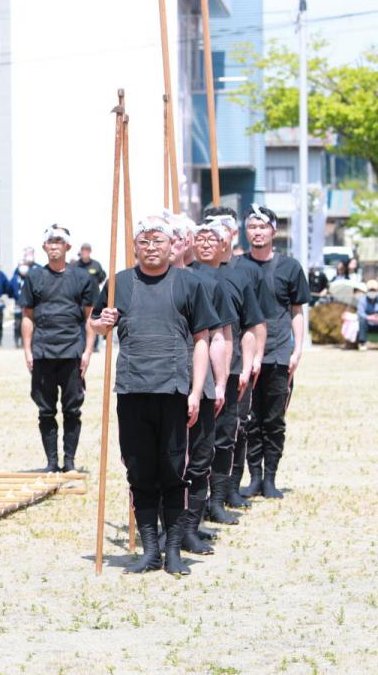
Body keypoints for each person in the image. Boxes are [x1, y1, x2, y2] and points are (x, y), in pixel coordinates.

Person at [89, 217, 218, 576]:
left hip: (173, 389)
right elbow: (95, 324)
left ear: (171, 245)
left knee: (173, 470)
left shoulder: (188, 284)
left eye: (157, 240)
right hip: (132, 388)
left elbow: (202, 340)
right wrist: (104, 323)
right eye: (144, 241)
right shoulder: (119, 283)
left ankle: (173, 549)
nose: (150, 247)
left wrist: (196, 391)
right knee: (140, 470)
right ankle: (150, 550)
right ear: (135, 247)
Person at [191, 217, 265, 526]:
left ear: (226, 243)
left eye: (213, 238)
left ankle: (218, 499)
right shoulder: (185, 275)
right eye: (201, 238)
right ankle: (191, 505)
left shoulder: (238, 278)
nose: (206, 243)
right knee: (195, 441)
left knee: (225, 437)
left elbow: (252, 325)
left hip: (230, 370)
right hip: (193, 370)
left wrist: (248, 365)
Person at [239, 205, 309, 500]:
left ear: (273, 231)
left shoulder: (289, 267)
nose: (257, 232)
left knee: (274, 419)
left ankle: (270, 478)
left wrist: (298, 349)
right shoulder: (236, 265)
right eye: (252, 227)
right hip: (245, 355)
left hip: (279, 352)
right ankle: (253, 476)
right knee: (248, 420)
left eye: (262, 227)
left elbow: (297, 310)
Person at [173, 219, 230, 556]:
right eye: (170, 236)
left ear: (191, 241)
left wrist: (220, 381)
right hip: (159, 384)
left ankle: (189, 528)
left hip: (201, 382)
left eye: (182, 236)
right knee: (165, 461)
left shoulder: (207, 284)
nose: (176, 242)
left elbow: (219, 337)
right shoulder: (138, 281)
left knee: (199, 460)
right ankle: (166, 526)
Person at [24, 225, 94, 472]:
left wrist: (87, 352)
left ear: (68, 247)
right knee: (45, 410)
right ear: (44, 247)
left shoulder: (82, 278)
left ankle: (70, 462)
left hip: (72, 352)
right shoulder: (33, 277)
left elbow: (90, 319)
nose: (54, 245)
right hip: (43, 351)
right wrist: (27, 351)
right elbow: (27, 316)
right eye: (50, 242)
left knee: (72, 409)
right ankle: (52, 463)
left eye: (59, 241)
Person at [358, 280, 378, 350]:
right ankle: (362, 343)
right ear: (367, 290)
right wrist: (369, 317)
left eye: (374, 290)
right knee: (362, 320)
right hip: (367, 323)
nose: (372, 292)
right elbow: (360, 313)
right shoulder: (362, 300)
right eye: (371, 290)